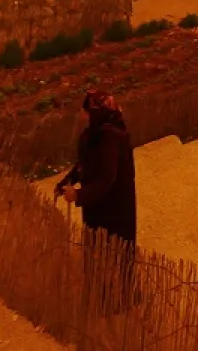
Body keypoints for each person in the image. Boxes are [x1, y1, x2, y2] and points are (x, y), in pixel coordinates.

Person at [57, 91, 137, 309]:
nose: (81, 114)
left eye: (85, 110)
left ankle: (118, 302)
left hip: (114, 207)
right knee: (98, 251)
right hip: (97, 203)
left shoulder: (111, 137)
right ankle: (101, 298)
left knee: (115, 253)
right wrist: (67, 181)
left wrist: (79, 195)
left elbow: (106, 178)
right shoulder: (95, 133)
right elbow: (86, 164)